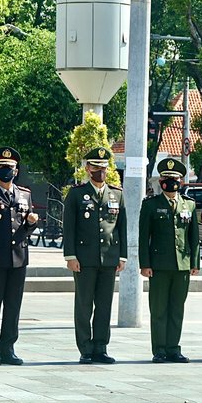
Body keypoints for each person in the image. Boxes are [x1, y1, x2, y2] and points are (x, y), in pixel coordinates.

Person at [0, 147, 39, 366]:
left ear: (16, 170)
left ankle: (8, 347)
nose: (6, 171)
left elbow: (25, 229)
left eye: (10, 168)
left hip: (18, 259)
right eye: (2, 167)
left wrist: (32, 223)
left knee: (13, 305)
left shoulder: (25, 194)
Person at [63, 147, 127, 364]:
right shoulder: (77, 194)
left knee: (104, 304)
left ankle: (101, 346)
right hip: (85, 258)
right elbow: (69, 228)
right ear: (88, 168)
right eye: (96, 167)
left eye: (103, 167)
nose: (100, 170)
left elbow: (121, 227)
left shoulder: (116, 193)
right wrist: (70, 256)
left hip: (109, 257)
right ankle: (85, 348)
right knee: (84, 304)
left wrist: (123, 256)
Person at [139, 158, 199, 363]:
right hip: (159, 265)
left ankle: (174, 348)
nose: (170, 182)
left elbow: (194, 237)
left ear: (181, 181)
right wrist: (145, 264)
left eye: (174, 179)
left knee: (177, 308)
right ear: (160, 181)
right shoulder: (151, 205)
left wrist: (194, 263)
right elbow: (143, 236)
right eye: (166, 178)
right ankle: (159, 350)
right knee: (158, 309)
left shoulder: (189, 204)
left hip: (182, 264)